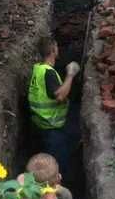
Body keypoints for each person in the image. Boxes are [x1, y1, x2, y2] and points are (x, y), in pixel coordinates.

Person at [28, 36, 80, 180]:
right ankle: (62, 188)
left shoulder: (37, 69)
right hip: (52, 128)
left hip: (39, 124)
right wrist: (71, 74)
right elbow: (60, 96)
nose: (58, 49)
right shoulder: (48, 73)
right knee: (59, 165)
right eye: (56, 47)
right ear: (52, 50)